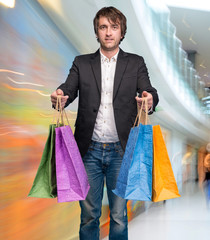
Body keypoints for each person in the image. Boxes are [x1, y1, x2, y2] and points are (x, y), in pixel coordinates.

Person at [51, 6, 159, 240]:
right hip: (88, 151)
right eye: (103, 27)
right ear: (97, 32)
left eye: (114, 27)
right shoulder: (82, 62)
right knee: (89, 215)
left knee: (119, 215)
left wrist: (149, 99)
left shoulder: (135, 63)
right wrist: (61, 93)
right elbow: (68, 87)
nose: (108, 32)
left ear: (122, 32)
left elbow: (149, 90)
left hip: (122, 151)